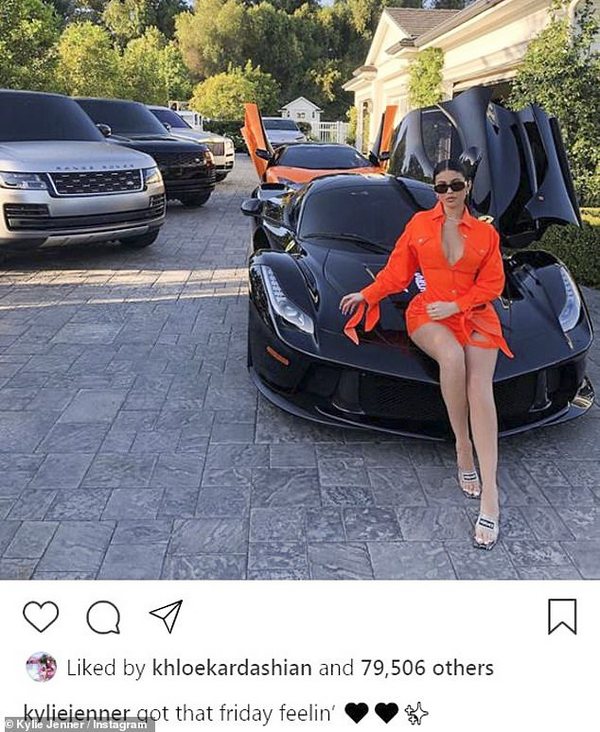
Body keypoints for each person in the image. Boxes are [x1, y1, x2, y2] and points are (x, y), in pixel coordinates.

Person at [340, 158, 513, 550]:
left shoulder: (485, 234)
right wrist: (367, 294)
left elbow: (493, 284)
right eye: (441, 186)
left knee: (480, 388)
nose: (448, 193)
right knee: (451, 357)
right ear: (435, 190)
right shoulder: (419, 225)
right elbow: (396, 273)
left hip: (475, 314)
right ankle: (462, 446)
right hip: (429, 313)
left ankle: (491, 495)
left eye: (456, 185)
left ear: (468, 187)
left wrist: (458, 305)